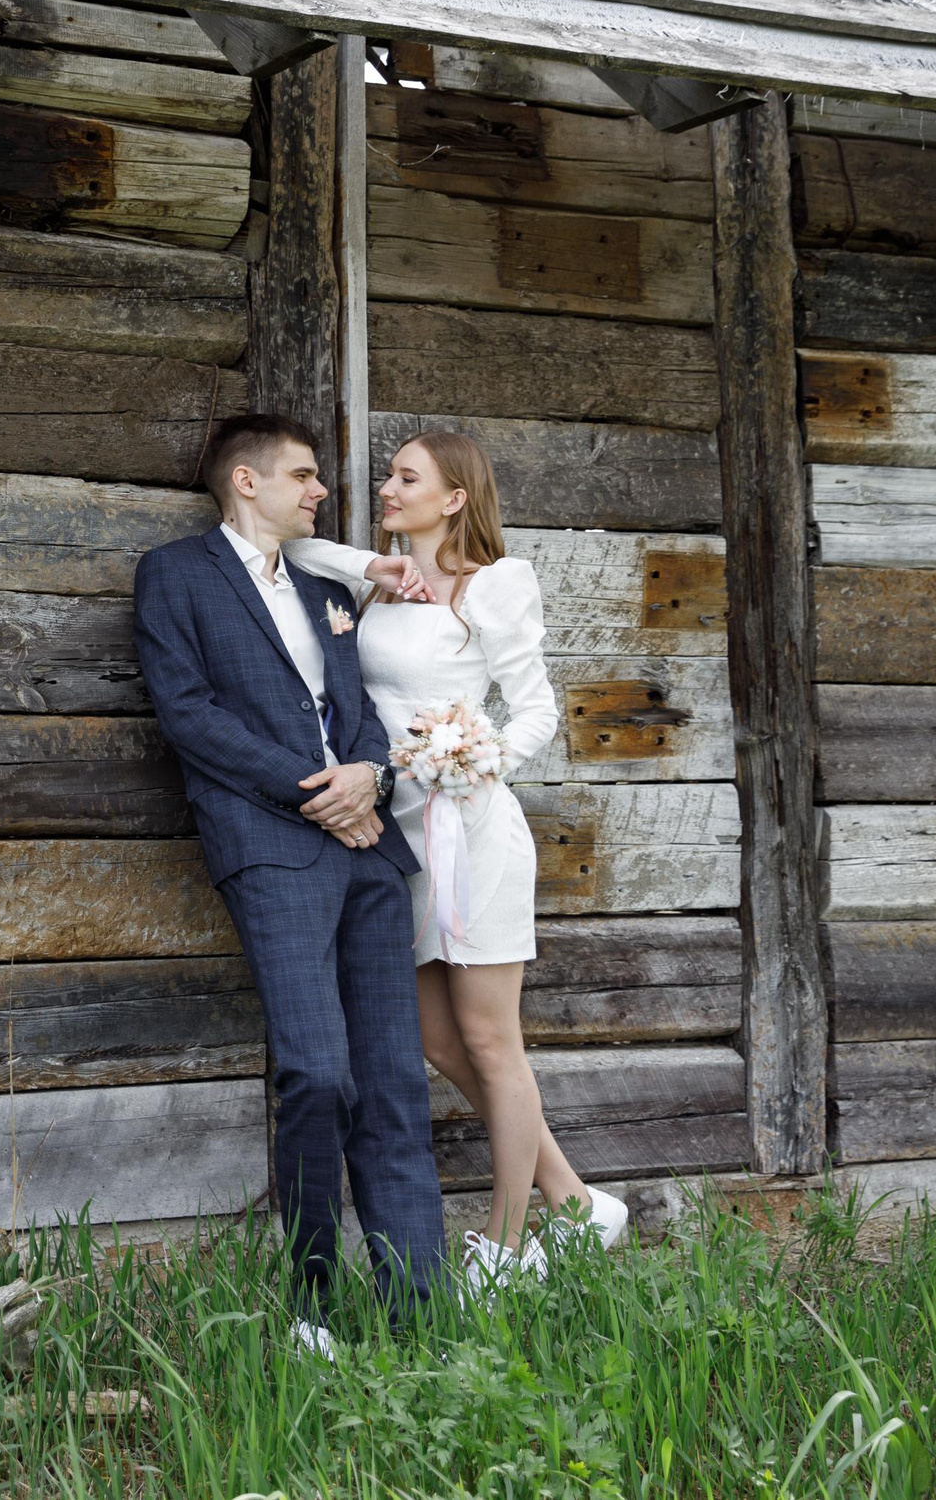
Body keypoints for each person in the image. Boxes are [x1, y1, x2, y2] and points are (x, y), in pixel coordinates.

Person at [284, 430, 632, 1287]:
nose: (387, 489)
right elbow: (293, 541)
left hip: (471, 832)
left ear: (454, 498)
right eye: (390, 476)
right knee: (437, 1039)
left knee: (490, 1039)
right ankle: (580, 1203)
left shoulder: (496, 584)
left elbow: (538, 712)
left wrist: (471, 759)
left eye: (407, 478)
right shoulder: (382, 583)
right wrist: (371, 567)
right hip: (395, 834)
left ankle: (507, 1248)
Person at [133, 414, 445, 1359]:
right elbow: (186, 714)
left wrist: (372, 781)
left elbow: (355, 710)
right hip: (273, 849)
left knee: (394, 1082)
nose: (319, 493)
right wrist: (318, 796)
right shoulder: (176, 575)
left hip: (371, 853)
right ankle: (312, 1303)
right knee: (317, 1073)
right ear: (245, 480)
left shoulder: (321, 588)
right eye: (304, 477)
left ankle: (419, 1317)